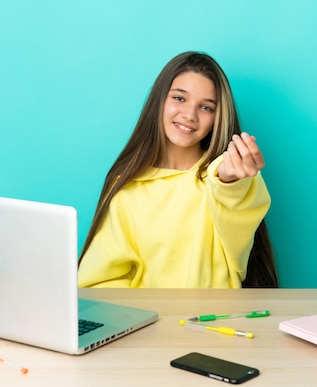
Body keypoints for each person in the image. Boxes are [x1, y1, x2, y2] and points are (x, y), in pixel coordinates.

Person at [78, 51, 277, 288]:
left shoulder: (224, 178)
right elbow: (100, 281)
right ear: (159, 100)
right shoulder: (126, 187)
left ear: (218, 118)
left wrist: (228, 179)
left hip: (213, 321)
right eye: (179, 99)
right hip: (150, 323)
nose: (189, 115)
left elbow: (233, 199)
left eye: (206, 107)